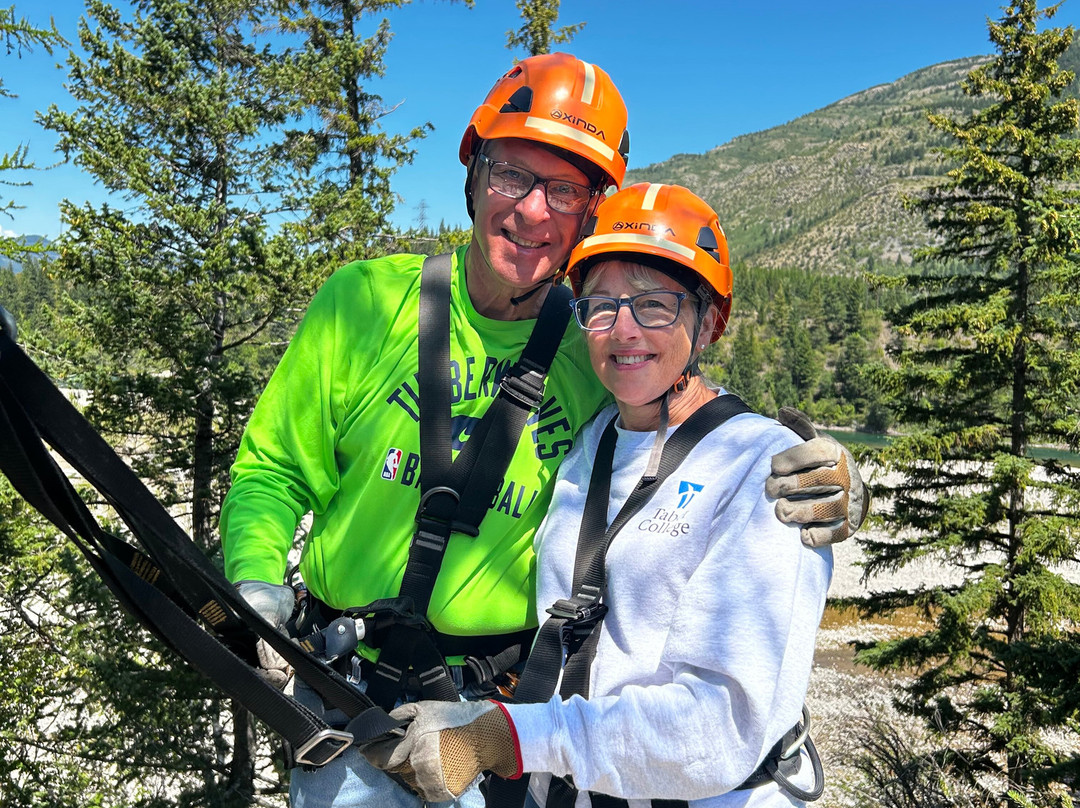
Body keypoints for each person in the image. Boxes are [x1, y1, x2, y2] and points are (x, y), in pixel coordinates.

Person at [220, 54, 861, 808]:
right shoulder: (362, 305)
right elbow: (273, 469)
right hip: (353, 699)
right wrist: (255, 578)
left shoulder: (594, 345)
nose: (532, 212)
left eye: (565, 190)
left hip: (506, 722)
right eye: (512, 175)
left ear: (591, 214)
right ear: (473, 173)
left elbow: (682, 421)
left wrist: (821, 482)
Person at [363, 184, 834, 808]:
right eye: (602, 305)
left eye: (655, 305)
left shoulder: (762, 471)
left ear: (708, 323)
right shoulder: (587, 443)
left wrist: (508, 738)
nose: (623, 329)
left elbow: (719, 727)